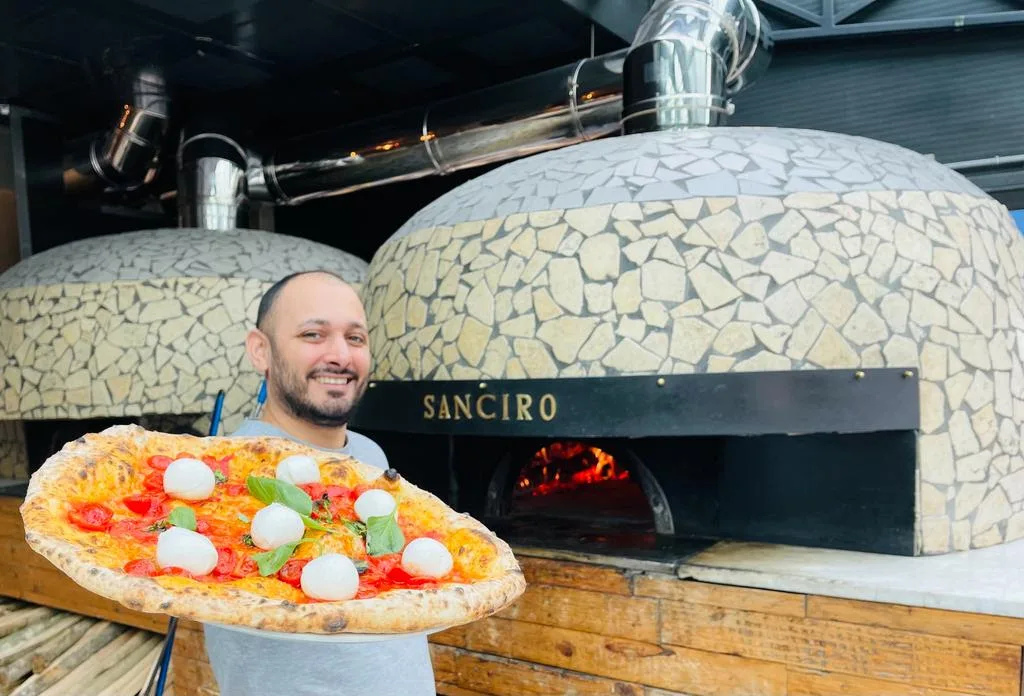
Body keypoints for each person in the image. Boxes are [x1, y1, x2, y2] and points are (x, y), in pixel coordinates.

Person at [202, 270, 436, 696]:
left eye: (356, 338)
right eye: (314, 334)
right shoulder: (226, 478)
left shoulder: (370, 457)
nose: (340, 356)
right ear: (261, 351)